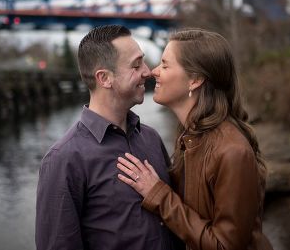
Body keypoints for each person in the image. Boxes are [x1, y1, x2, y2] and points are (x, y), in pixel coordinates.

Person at [116, 29, 273, 250]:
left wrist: (158, 195)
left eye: (165, 65)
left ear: (195, 80)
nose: (153, 72)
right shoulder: (191, 137)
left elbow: (225, 246)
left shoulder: (232, 151)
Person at [36, 25, 177, 250]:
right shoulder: (63, 160)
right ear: (104, 78)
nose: (148, 71)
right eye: (136, 64)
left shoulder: (151, 138)